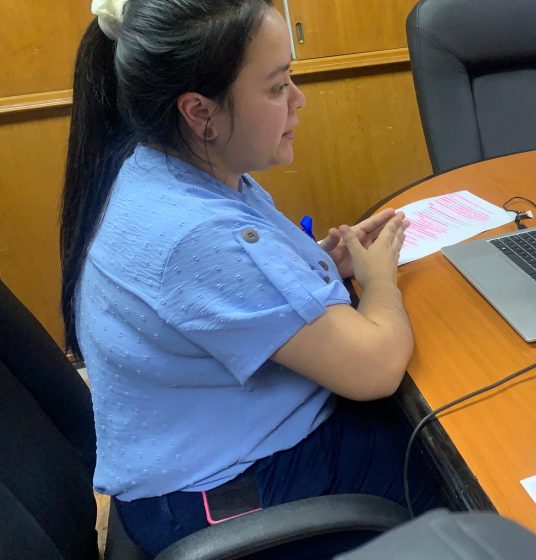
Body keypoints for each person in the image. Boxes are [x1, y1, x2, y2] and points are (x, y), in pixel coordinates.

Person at [61, 0, 444, 555]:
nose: (298, 99)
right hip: (222, 492)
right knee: (462, 468)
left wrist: (321, 262)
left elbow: (226, 295)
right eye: (277, 85)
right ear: (201, 112)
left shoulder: (162, 171)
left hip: (197, 455)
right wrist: (380, 280)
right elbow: (376, 368)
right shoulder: (195, 233)